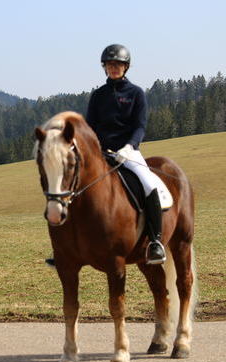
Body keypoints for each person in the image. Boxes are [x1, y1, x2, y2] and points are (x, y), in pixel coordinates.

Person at [85, 44, 166, 264]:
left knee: (149, 185)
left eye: (118, 65)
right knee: (75, 186)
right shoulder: (98, 96)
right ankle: (70, 245)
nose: (113, 68)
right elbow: (89, 127)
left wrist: (129, 147)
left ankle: (155, 242)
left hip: (128, 152)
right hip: (101, 153)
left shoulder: (136, 93)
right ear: (105, 68)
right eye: (110, 65)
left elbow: (140, 126)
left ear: (126, 67)